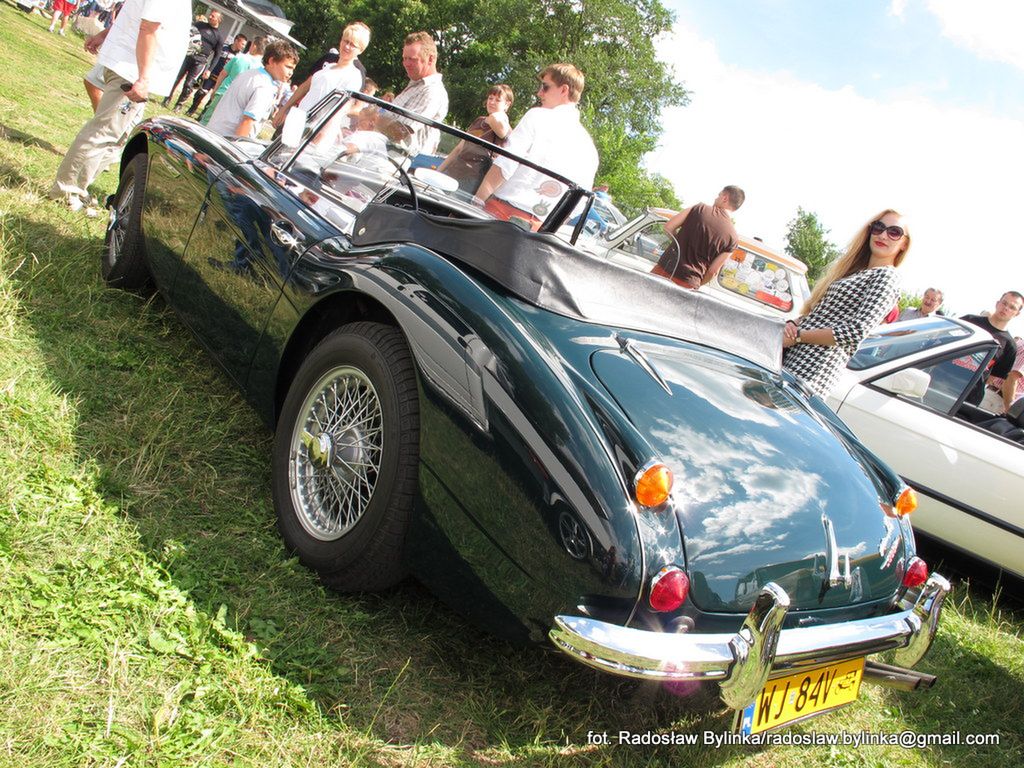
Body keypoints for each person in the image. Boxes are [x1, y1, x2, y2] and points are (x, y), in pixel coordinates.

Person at [49, 0, 190, 213]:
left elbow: (134, 18)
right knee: (103, 133)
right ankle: (65, 190)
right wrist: (142, 78)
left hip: (134, 72)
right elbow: (147, 28)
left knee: (118, 137)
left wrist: (103, 35)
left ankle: (79, 187)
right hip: (131, 73)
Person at [782, 210, 910, 397]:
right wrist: (794, 324)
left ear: (904, 243)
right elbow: (820, 314)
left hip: (815, 370)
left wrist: (799, 336)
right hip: (794, 358)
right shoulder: (855, 271)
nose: (883, 235)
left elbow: (855, 331)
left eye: (894, 232)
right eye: (878, 227)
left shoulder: (888, 276)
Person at [474, 64, 597, 230]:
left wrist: (475, 203)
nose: (539, 93)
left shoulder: (537, 116)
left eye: (545, 87)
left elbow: (504, 167)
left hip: (499, 216)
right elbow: (578, 204)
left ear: (564, 90)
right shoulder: (588, 148)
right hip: (538, 232)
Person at [275, 22, 370, 127]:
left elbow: (344, 109)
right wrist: (285, 108)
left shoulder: (355, 75)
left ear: (361, 50)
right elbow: (306, 86)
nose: (347, 46)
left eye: (353, 45)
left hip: (315, 127)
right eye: (346, 41)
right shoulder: (329, 65)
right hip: (299, 118)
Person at [651, 187, 745, 289]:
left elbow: (668, 228)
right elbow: (713, 271)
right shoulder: (733, 238)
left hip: (664, 270)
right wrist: (696, 284)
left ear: (725, 198)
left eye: (719, 195)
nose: (715, 198)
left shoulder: (699, 209)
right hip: (689, 284)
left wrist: (680, 242)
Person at [206, 40, 298, 139]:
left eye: (293, 69)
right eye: (288, 67)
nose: (291, 73)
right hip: (226, 141)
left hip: (214, 132)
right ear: (272, 61)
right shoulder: (265, 86)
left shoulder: (250, 73)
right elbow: (247, 122)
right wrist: (235, 149)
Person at [381, 32, 449, 156]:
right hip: (385, 152)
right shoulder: (415, 85)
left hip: (400, 163)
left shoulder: (432, 91)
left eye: (412, 59)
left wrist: (373, 117)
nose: (406, 64)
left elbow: (400, 132)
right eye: (404, 58)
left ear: (431, 59)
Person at [437, 84, 513, 193]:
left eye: (498, 100)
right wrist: (439, 170)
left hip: (471, 180)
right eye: (490, 98)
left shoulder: (504, 125)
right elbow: (459, 148)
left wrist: (498, 115)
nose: (492, 102)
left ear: (507, 104)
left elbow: (502, 132)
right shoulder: (479, 121)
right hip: (453, 171)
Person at [961, 292, 1024, 411]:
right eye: (1004, 303)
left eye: (1012, 307)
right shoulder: (970, 321)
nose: (1006, 308)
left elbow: (992, 378)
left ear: (1017, 314)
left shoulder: (1010, 346)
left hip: (969, 397)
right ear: (997, 303)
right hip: (940, 381)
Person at [162, 9, 227, 111]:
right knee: (176, 78)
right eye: (210, 15)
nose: (210, 17)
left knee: (189, 84)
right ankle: (167, 98)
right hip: (187, 56)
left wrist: (209, 70)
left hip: (200, 62)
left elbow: (217, 56)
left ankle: (179, 104)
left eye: (213, 16)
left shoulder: (219, 37)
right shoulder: (200, 25)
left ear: (218, 20)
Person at [199, 36, 267, 125]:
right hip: (239, 102)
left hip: (224, 92)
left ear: (254, 46)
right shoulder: (261, 70)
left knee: (207, 120)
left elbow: (223, 74)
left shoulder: (239, 57)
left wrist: (215, 90)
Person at [185, 33, 248, 117]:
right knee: (201, 92)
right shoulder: (223, 47)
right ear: (236, 41)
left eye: (244, 45)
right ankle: (192, 109)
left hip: (223, 79)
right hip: (212, 74)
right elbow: (212, 58)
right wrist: (207, 69)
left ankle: (203, 115)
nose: (243, 46)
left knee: (214, 98)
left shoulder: (240, 56)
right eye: (242, 44)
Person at [1001, 338, 1024, 413]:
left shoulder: (1020, 343)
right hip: (1002, 401)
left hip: (1000, 399)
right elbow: (1011, 378)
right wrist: (1010, 409)